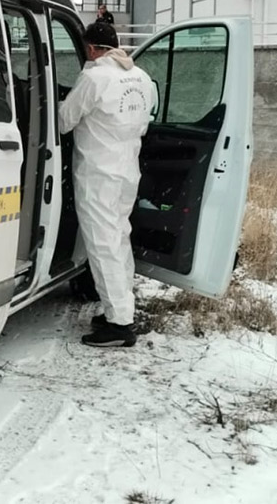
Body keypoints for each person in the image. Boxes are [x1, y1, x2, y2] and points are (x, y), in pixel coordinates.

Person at [58, 21, 156, 347]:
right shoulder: (140, 78)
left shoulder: (94, 78)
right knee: (119, 239)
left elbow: (63, 121)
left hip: (99, 175)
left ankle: (119, 325)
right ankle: (119, 307)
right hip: (127, 171)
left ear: (90, 48)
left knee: (103, 246)